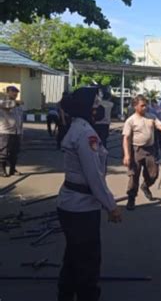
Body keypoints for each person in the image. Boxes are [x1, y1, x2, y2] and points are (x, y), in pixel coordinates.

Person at [56, 87, 122, 301]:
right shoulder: (86, 134)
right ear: (85, 107)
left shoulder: (77, 127)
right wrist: (111, 206)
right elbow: (94, 177)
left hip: (71, 204)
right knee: (87, 264)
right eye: (94, 103)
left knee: (73, 259)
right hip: (81, 207)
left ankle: (65, 295)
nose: (98, 107)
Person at [122, 94, 161, 210]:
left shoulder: (151, 117)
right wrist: (127, 155)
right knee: (133, 176)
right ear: (135, 106)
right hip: (136, 150)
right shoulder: (130, 121)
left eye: (146, 105)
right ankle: (131, 199)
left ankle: (145, 186)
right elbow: (126, 138)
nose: (145, 107)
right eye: (142, 105)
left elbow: (160, 126)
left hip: (150, 150)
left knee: (153, 174)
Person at [0, 85, 23, 177]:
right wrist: (16, 103)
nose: (15, 94)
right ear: (7, 92)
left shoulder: (18, 107)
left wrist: (21, 132)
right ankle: (1, 169)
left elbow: (20, 119)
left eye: (16, 92)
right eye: (13, 92)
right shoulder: (2, 102)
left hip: (16, 132)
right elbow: (8, 105)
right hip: (5, 132)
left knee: (14, 152)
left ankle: (12, 169)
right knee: (3, 152)